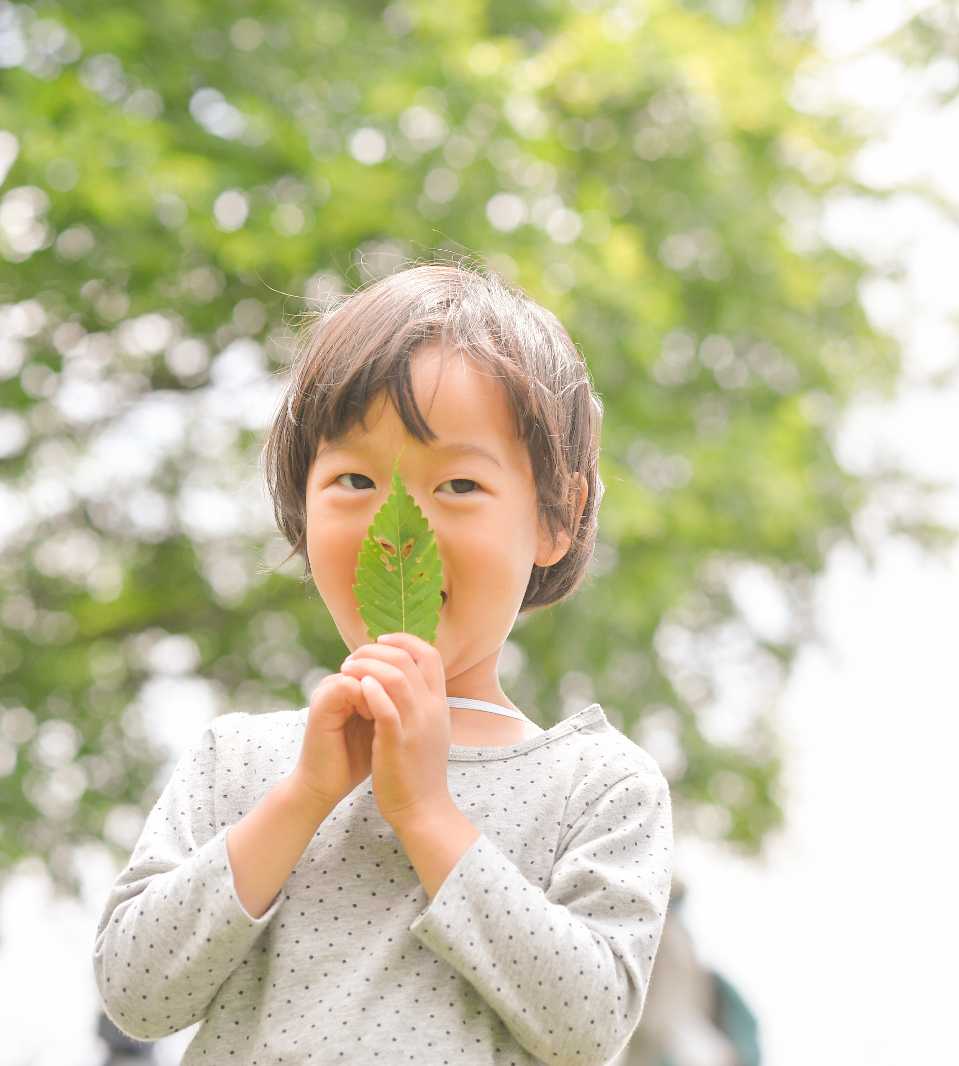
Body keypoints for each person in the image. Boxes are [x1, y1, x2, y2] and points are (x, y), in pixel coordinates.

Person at [91, 259, 675, 1066]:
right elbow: (135, 992)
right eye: (356, 479)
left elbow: (588, 1025)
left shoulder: (598, 786)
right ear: (301, 503)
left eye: (460, 484)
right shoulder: (241, 761)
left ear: (556, 516)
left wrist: (429, 814)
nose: (401, 533)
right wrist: (304, 798)